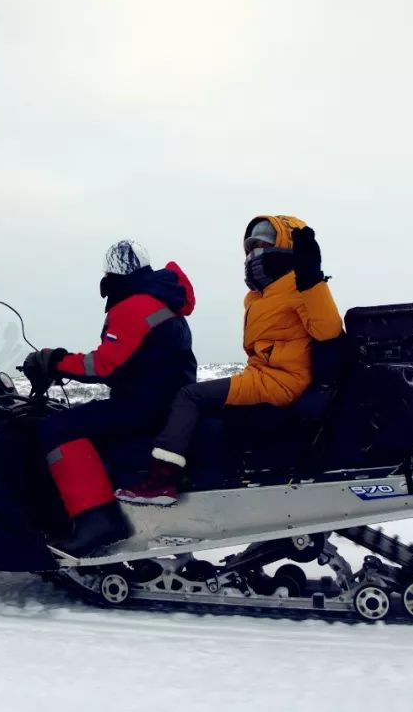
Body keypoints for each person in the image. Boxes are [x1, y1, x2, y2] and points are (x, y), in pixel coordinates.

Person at [116, 215, 343, 506]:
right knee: (206, 415)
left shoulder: (300, 285)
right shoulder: (259, 295)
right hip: (263, 376)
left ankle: (162, 479)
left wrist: (313, 280)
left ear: (285, 246)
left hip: (283, 382)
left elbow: (329, 331)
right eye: (250, 248)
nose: (254, 253)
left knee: (190, 396)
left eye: (262, 245)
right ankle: (201, 476)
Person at [23, 240, 196, 555]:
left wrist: (54, 360)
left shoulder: (134, 305)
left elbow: (104, 364)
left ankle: (96, 521)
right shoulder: (161, 300)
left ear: (112, 272)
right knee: (84, 420)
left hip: (144, 406)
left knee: (57, 428)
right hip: (162, 401)